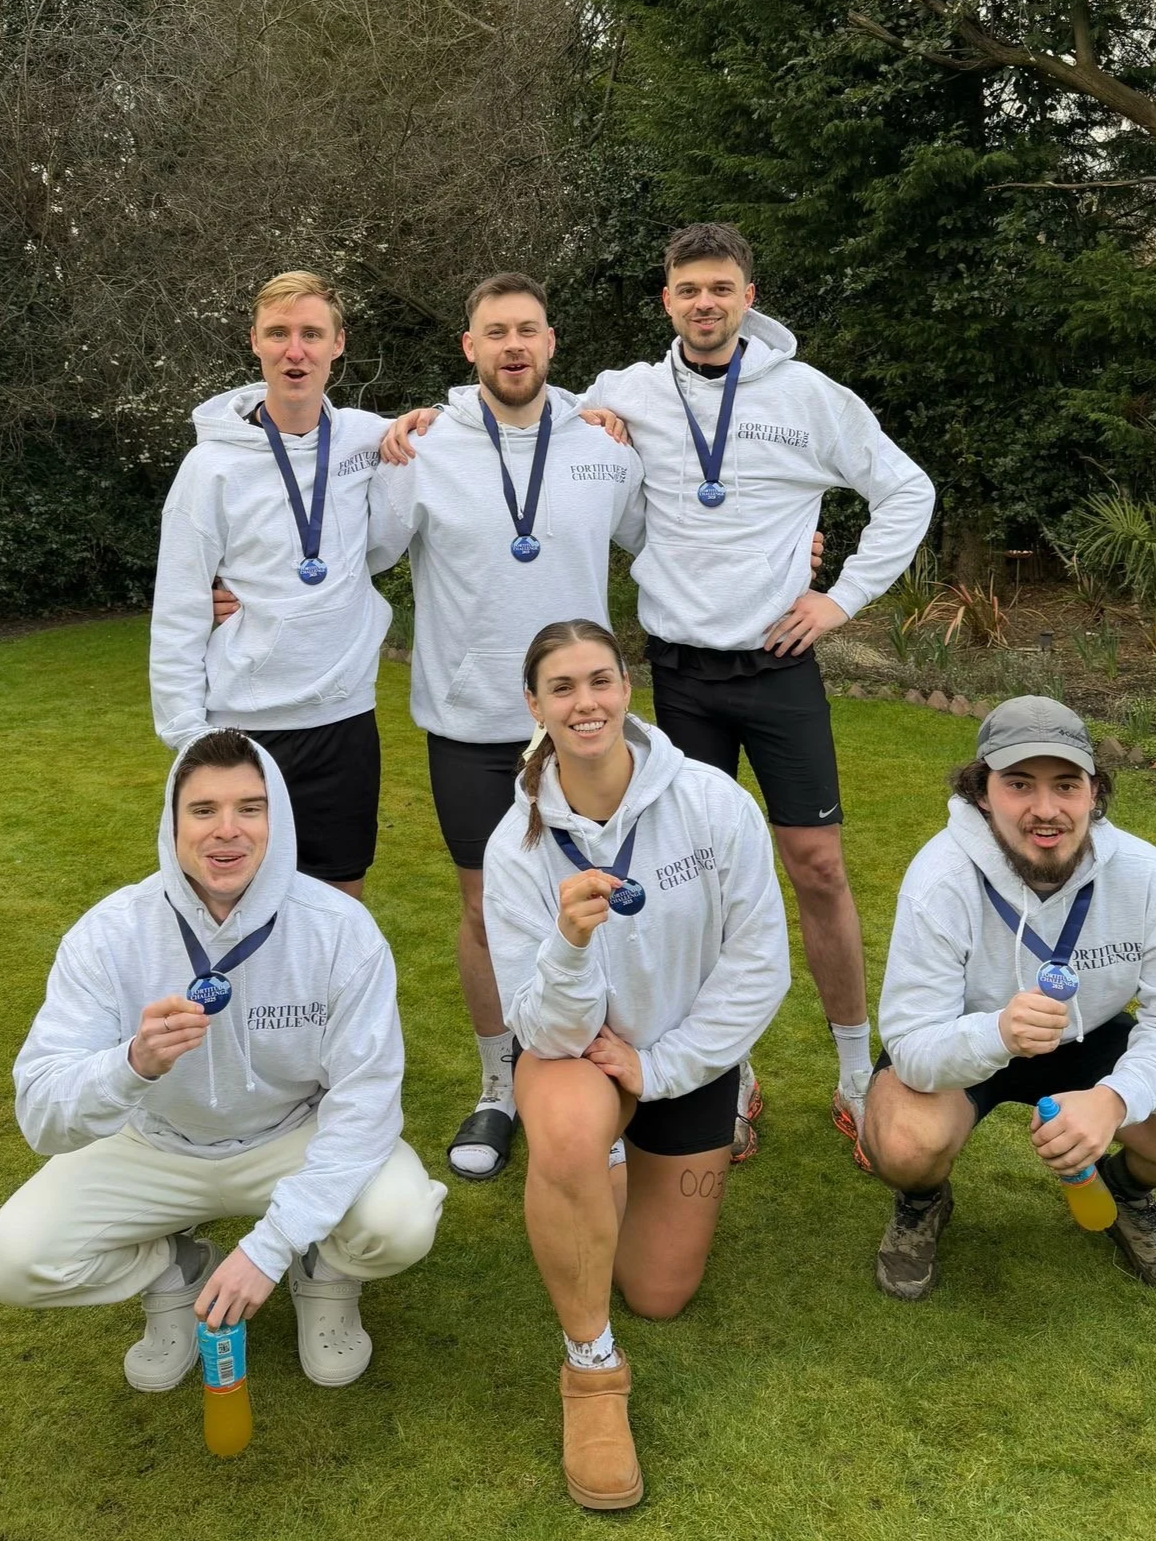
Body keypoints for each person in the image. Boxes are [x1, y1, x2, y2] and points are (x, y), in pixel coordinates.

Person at [384, 223, 934, 1165]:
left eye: (722, 287)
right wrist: (407, 425)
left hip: (778, 662)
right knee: (687, 890)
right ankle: (727, 1072)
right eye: (689, 289)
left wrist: (835, 597)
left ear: (749, 297)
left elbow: (907, 490)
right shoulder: (622, 399)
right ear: (667, 300)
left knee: (818, 867)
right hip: (676, 671)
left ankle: (853, 1074)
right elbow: (610, 497)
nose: (706, 303)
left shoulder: (805, 395)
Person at [0, 729, 446, 1392]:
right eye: (203, 810)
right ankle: (174, 1268)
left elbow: (366, 1105)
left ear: (278, 819)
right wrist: (131, 1064)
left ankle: (323, 1270)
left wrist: (268, 1251)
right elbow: (40, 1115)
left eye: (250, 807)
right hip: (155, 1144)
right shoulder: (111, 932)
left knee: (401, 1221)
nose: (226, 831)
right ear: (172, 822)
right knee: (13, 1259)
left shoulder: (339, 930)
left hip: (293, 1137)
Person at [483, 619, 790, 1508]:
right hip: (577, 1056)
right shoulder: (519, 846)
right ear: (534, 705)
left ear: (628, 688)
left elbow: (760, 960)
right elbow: (539, 1026)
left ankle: (701, 1116)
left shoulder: (711, 801)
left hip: (683, 1061)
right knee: (572, 1133)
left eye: (601, 680)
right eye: (563, 688)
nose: (586, 703)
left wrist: (667, 1067)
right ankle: (591, 1367)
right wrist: (573, 947)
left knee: (659, 1289)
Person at [863, 696, 1156, 1301]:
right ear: (981, 792)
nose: (1045, 810)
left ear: (1094, 794)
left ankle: (1125, 1188)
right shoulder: (939, 879)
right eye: (1019, 784)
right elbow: (912, 1043)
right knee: (902, 1144)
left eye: (1066, 785)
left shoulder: (1144, 873)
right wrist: (996, 1033)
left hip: (1088, 1034)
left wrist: (1112, 1100)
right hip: (968, 1036)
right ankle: (922, 1201)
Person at [150, 270, 391, 900]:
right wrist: (188, 738)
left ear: (338, 344)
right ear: (254, 342)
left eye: (312, 333)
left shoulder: (369, 440)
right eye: (279, 333)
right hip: (241, 729)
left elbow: (473, 425)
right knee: (232, 903)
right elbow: (177, 609)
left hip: (342, 720)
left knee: (341, 905)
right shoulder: (210, 468)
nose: (295, 350)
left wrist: (594, 414)